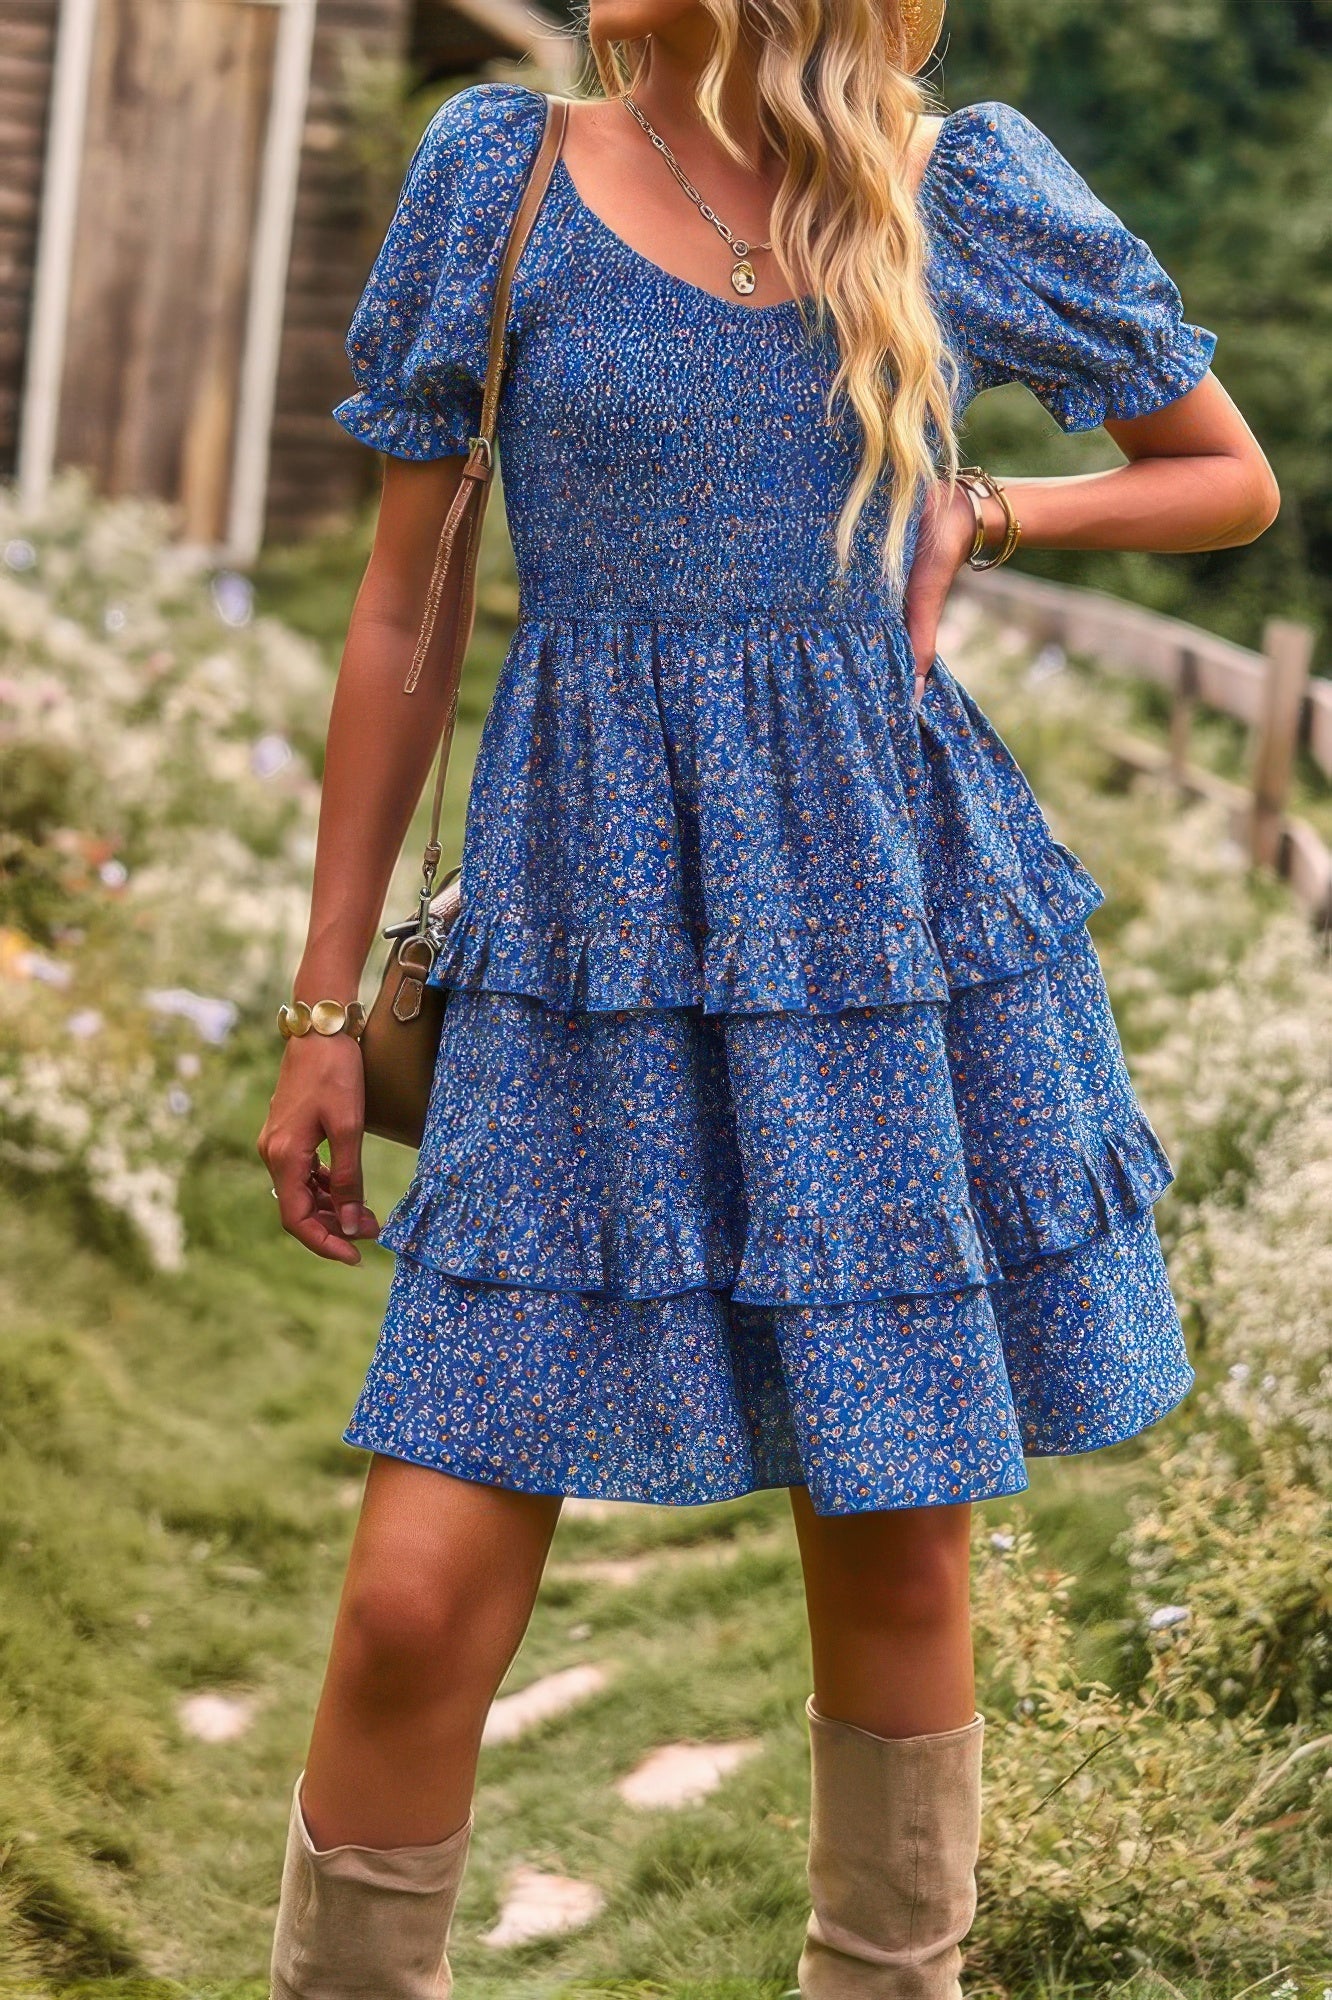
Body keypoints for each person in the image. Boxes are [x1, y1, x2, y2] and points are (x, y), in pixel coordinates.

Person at [257, 0, 1279, 1992]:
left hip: (883, 942)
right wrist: (319, 1010)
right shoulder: (506, 172)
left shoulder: (953, 185)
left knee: (899, 1545)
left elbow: (1217, 473)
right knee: (406, 1600)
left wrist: (995, 510)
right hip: (578, 954)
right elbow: (405, 601)